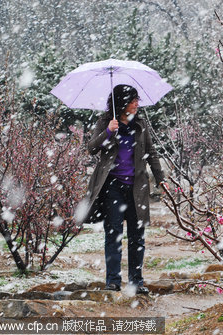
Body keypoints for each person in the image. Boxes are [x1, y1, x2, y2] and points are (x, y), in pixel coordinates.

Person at [83, 84, 167, 294]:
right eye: (133, 101)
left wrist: (160, 178)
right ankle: (112, 280)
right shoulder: (106, 122)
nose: (137, 104)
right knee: (114, 234)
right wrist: (108, 132)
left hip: (137, 187)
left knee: (137, 236)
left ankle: (136, 281)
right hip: (112, 187)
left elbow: (151, 152)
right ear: (122, 103)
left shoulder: (140, 124)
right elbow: (92, 148)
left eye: (137, 100)